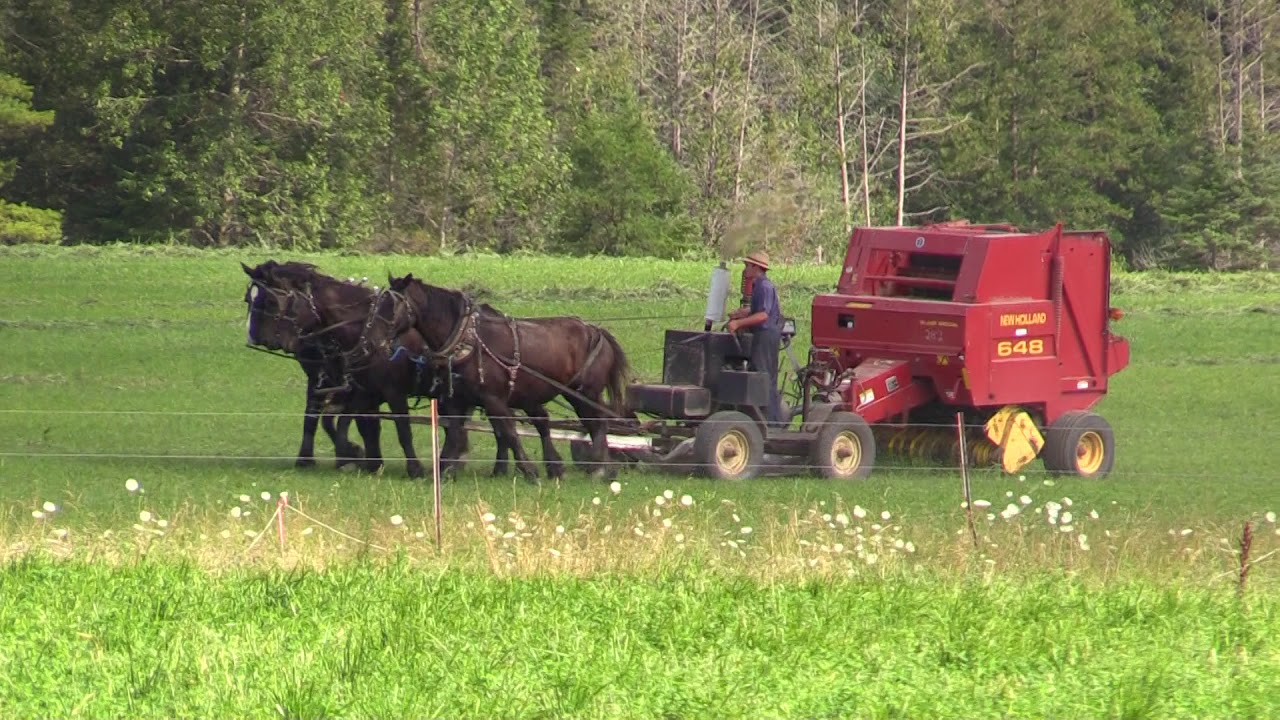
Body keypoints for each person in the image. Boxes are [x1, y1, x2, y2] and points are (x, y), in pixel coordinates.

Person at [726, 250, 787, 427]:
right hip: (763, 335)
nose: (745, 270)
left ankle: (772, 423)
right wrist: (740, 313)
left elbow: (763, 316)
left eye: (747, 266)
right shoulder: (759, 285)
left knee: (763, 376)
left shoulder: (764, 287)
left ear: (756, 267)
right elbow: (756, 310)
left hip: (766, 335)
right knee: (762, 374)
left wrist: (738, 324)